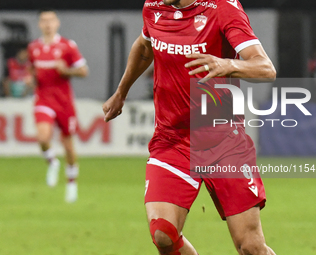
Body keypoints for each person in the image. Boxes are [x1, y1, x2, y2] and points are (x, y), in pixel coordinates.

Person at [103, 0, 276, 254]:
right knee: (163, 233)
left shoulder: (223, 8)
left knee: (250, 247)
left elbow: (266, 68)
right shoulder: (153, 7)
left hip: (223, 141)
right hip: (171, 139)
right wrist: (121, 92)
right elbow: (144, 47)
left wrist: (229, 64)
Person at [28, 9, 88, 203]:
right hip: (43, 98)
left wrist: (67, 70)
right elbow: (31, 69)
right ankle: (52, 162)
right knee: (43, 137)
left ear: (57, 23)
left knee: (69, 147)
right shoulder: (33, 48)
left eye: (50, 20)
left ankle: (71, 185)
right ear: (39, 24)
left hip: (63, 101)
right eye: (43, 20)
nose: (47, 24)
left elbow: (83, 71)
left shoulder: (67, 46)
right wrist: (31, 78)